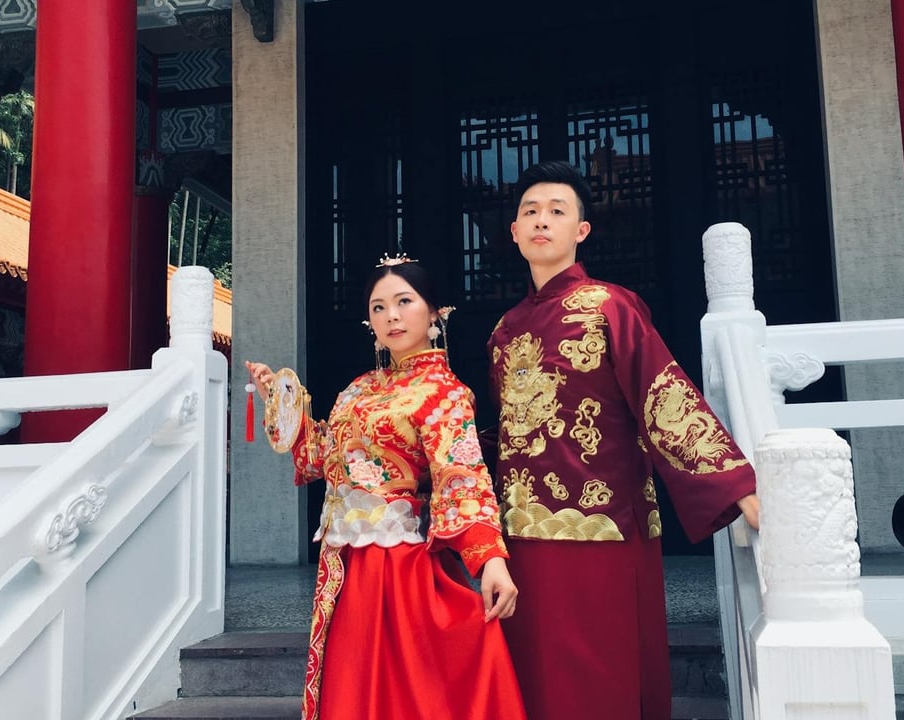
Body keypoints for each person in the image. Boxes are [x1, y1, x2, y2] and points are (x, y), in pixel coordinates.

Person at [487, 160, 761, 720]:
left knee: (600, 677)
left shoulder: (610, 306)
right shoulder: (503, 330)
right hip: (522, 531)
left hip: (604, 522)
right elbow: (511, 433)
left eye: (557, 212)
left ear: (580, 231)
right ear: (514, 231)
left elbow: (660, 392)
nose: (542, 222)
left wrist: (732, 482)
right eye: (530, 212)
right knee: (533, 675)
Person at [246, 257, 527, 720]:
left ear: (434, 313)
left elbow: (463, 476)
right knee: (354, 685)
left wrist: (490, 561)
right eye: (378, 308)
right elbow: (320, 458)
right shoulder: (357, 390)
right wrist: (280, 400)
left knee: (402, 691)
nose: (391, 316)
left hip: (396, 565)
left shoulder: (444, 392)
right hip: (345, 564)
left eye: (404, 302)